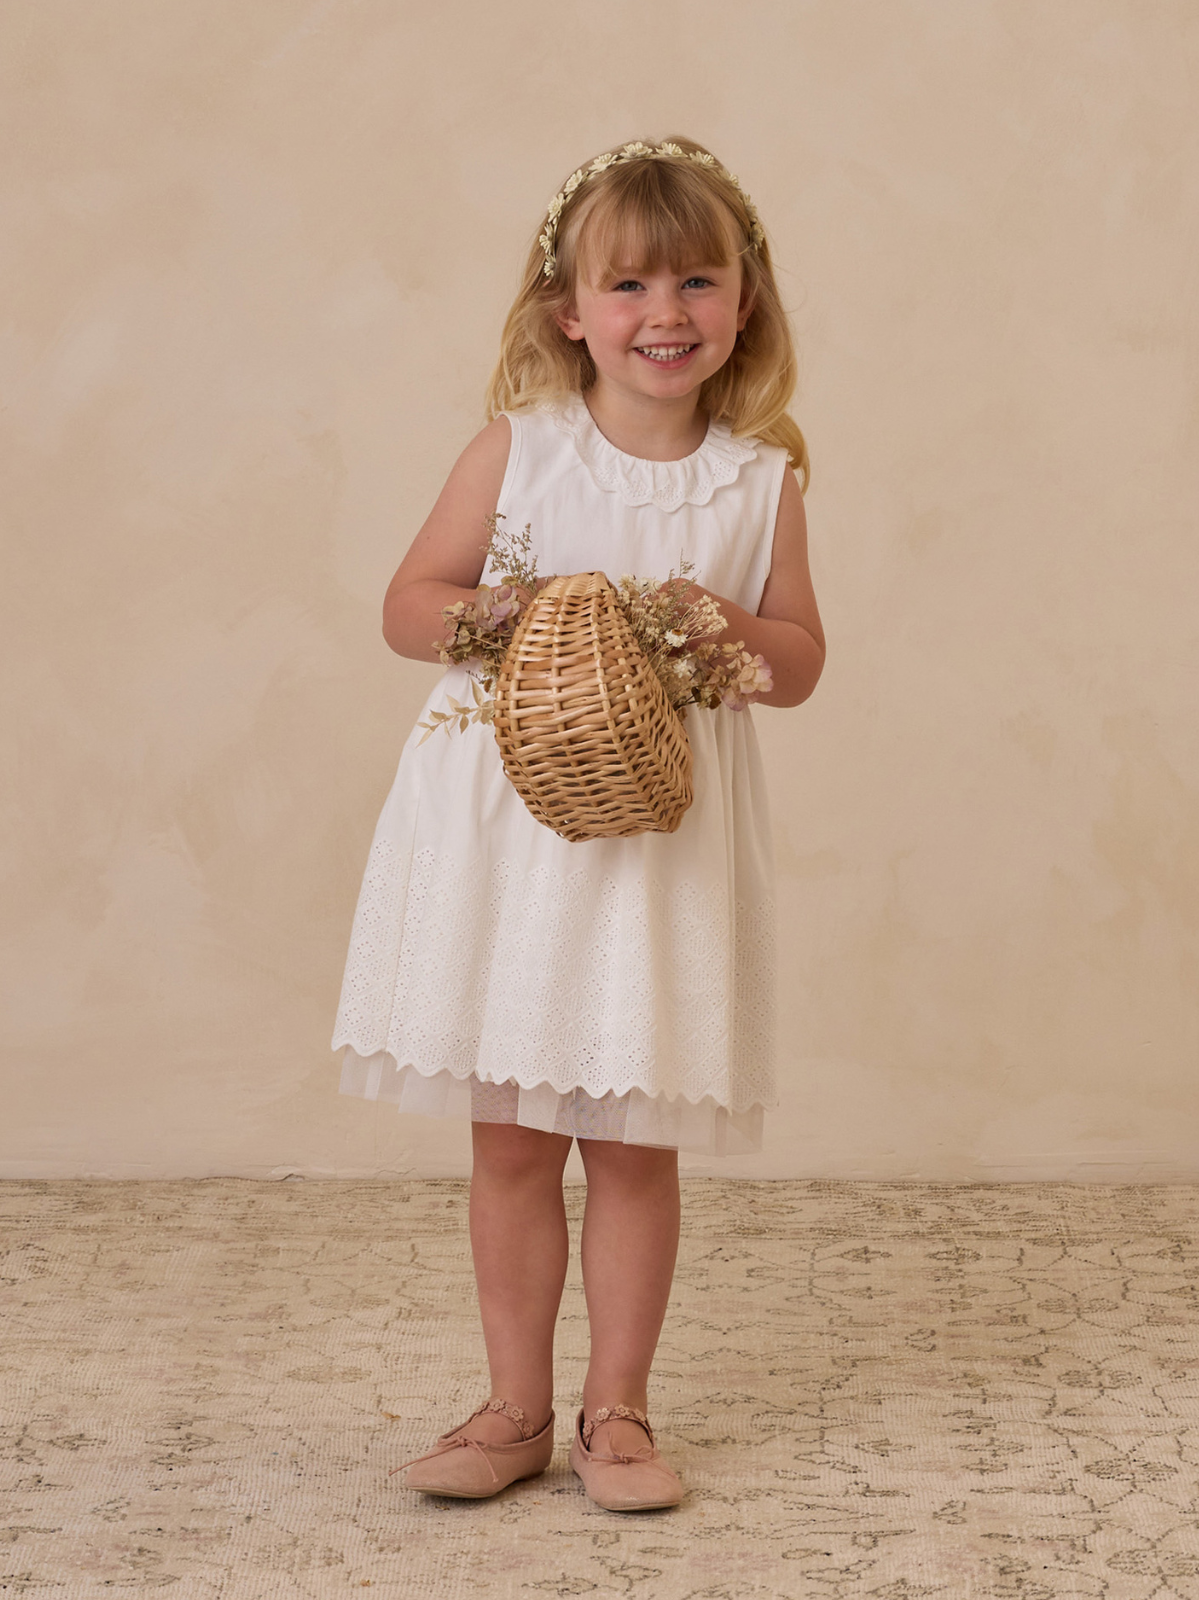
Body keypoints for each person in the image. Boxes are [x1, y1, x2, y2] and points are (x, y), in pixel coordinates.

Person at [332, 137, 825, 1511]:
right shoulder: (519, 450)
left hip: (655, 845)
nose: (662, 314)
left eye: (694, 282)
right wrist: (505, 613)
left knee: (629, 1129)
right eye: (626, 286)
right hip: (509, 833)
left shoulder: (755, 479)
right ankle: (509, 1407)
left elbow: (800, 661)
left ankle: (618, 1410)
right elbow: (405, 605)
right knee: (506, 1133)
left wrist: (727, 629)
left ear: (743, 299)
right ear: (567, 309)